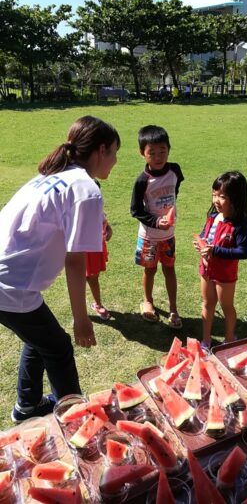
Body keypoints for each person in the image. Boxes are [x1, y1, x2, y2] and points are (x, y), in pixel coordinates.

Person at [0, 115, 120, 423]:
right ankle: (76, 420)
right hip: (10, 287)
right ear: (101, 150)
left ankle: (26, 407)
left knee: (41, 339)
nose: (116, 162)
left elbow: (59, 223)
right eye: (115, 153)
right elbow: (75, 260)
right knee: (59, 347)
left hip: (9, 281)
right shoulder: (85, 187)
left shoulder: (54, 174)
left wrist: (96, 226)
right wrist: (82, 320)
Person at [130, 125, 184, 328]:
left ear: (169, 149)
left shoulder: (175, 170)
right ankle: (148, 302)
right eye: (152, 153)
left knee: (170, 270)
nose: (158, 156)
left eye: (162, 151)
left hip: (169, 236)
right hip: (149, 237)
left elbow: (174, 191)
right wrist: (155, 221)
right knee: (150, 271)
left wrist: (169, 214)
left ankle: (173, 309)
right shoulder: (142, 181)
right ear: (142, 154)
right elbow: (135, 210)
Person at [194, 171, 247, 350]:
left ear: (235, 199)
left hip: (225, 275)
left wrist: (216, 250)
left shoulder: (238, 226)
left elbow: (244, 251)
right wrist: (201, 243)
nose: (216, 200)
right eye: (214, 195)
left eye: (222, 196)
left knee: (226, 306)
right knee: (207, 303)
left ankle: (229, 339)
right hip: (206, 270)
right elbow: (205, 234)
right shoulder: (212, 218)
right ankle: (206, 340)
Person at [86, 186, 113, 321]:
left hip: (96, 249)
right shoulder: (75, 211)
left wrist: (108, 230)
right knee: (79, 279)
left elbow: (105, 224)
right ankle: (79, 311)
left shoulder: (98, 209)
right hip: (81, 251)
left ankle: (97, 304)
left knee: (93, 278)